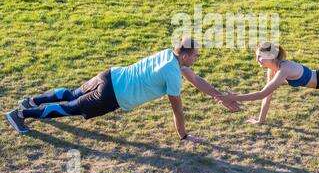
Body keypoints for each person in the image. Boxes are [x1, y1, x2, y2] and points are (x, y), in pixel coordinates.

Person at [5, 37, 240, 142]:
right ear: (186, 55)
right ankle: (20, 115)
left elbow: (196, 80)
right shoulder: (172, 72)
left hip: (110, 75)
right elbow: (177, 109)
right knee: (70, 108)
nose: (197, 59)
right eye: (196, 55)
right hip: (112, 95)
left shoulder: (169, 56)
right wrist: (184, 135)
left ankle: (30, 101)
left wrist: (220, 96)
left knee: (71, 93)